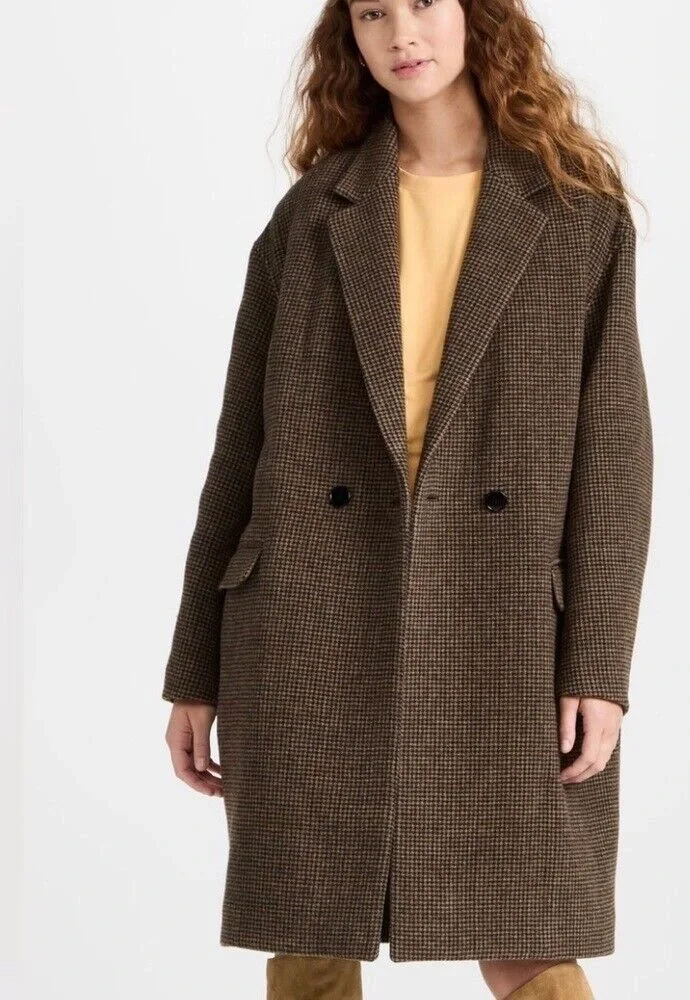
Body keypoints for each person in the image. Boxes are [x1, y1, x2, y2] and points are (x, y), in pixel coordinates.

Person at [162, 0, 653, 997]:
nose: (401, 35)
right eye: (373, 12)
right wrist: (194, 668)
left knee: (523, 925)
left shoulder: (577, 216)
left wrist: (599, 664)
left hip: (502, 621)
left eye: (424, 2)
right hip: (311, 609)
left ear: (479, 17)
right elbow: (238, 450)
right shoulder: (311, 217)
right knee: (311, 925)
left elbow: (615, 457)